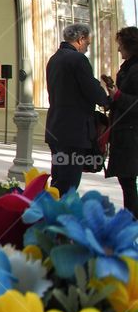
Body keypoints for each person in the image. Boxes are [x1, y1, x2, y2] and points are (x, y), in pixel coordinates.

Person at [45, 23, 110, 196]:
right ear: (80, 39)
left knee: (58, 179)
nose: (87, 48)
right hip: (73, 131)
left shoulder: (54, 59)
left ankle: (52, 209)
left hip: (55, 127)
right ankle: (61, 212)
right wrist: (107, 100)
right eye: (87, 43)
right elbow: (92, 90)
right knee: (69, 183)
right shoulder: (78, 59)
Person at [102, 27, 138, 217]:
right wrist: (111, 98)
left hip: (131, 134)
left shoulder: (135, 69)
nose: (118, 49)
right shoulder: (128, 68)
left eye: (121, 45)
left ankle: (131, 220)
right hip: (125, 131)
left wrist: (117, 96)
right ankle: (130, 218)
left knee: (128, 180)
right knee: (126, 180)